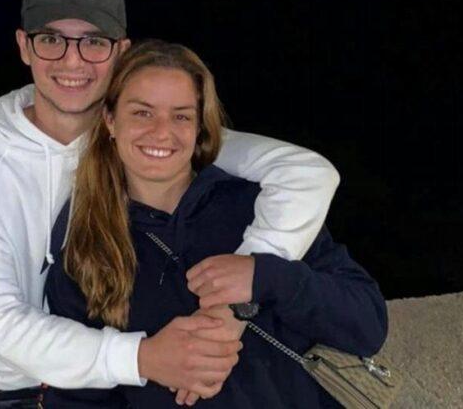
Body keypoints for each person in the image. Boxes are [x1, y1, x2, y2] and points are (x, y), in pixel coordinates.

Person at [0, 0, 340, 407]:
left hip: (118, 385)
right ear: (23, 45)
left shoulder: (145, 135)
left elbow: (306, 173)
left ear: (121, 51)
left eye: (94, 42)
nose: (72, 62)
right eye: (51, 39)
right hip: (4, 389)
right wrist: (142, 357)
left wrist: (238, 295)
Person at [43, 40, 387, 408]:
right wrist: (147, 360)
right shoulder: (83, 256)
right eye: (142, 113)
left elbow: (368, 326)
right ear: (110, 120)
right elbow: (79, 398)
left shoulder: (261, 208)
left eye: (181, 116)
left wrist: (266, 277)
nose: (161, 131)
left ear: (200, 126)